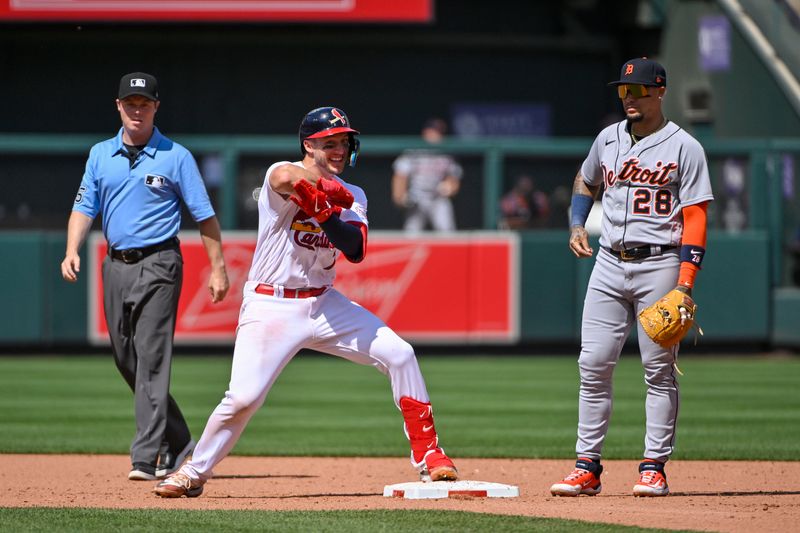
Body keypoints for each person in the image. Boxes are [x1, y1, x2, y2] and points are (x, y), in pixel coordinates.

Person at [153, 106, 458, 498]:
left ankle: (430, 455)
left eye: (344, 143)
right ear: (308, 146)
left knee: (400, 354)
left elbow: (356, 247)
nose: (339, 151)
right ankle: (193, 471)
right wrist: (328, 192)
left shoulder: (357, 195)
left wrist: (323, 207)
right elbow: (284, 177)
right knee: (244, 397)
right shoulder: (280, 172)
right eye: (329, 144)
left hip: (324, 303)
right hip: (271, 305)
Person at [550, 58, 714, 497]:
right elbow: (584, 181)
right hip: (608, 262)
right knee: (593, 365)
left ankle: (653, 466)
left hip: (661, 263)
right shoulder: (608, 138)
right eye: (624, 91)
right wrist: (577, 224)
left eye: (638, 91)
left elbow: (696, 216)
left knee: (658, 369)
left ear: (660, 91)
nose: (630, 99)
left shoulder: (685, 148)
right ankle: (587, 466)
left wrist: (685, 282)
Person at [61, 72, 230, 482]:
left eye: (145, 103)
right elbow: (84, 207)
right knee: (126, 359)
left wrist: (218, 267)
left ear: (156, 107)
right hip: (115, 263)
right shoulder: (100, 154)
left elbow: (204, 217)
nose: (137, 110)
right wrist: (72, 249)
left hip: (160, 263)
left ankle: (147, 456)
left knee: (152, 356)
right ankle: (180, 439)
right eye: (130, 103)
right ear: (118, 106)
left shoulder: (176, 156)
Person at [391, 118, 463, 233]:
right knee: (411, 232)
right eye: (432, 131)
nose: (435, 136)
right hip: (416, 197)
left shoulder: (447, 152)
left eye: (439, 133)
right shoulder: (414, 151)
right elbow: (400, 175)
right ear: (425, 132)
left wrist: (450, 187)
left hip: (437, 197)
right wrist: (400, 196)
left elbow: (454, 177)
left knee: (447, 231)